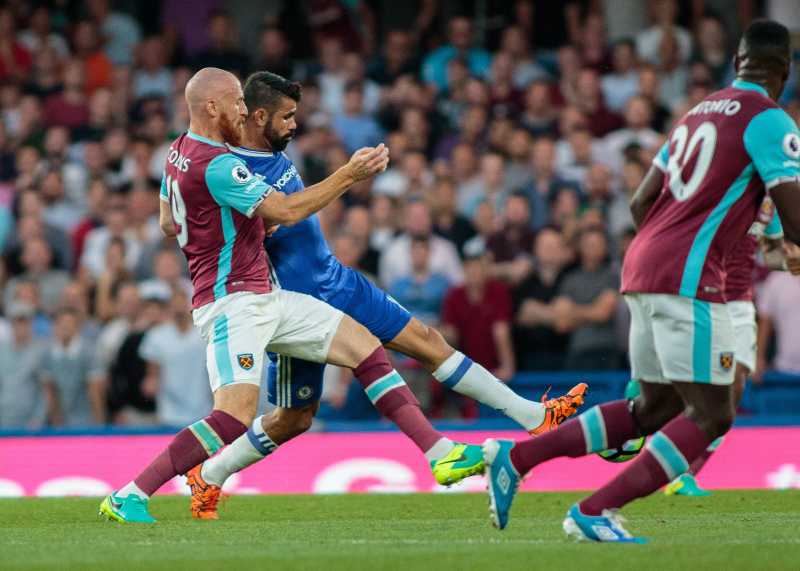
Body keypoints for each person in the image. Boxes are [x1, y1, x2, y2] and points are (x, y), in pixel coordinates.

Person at [187, 71, 587, 520]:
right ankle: (211, 474)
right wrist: (346, 176)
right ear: (259, 117)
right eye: (288, 117)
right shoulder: (227, 172)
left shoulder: (271, 147)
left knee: (426, 341)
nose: (295, 125)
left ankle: (533, 416)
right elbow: (235, 232)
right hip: (296, 307)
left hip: (338, 280)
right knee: (295, 418)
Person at [99, 67, 475, 525]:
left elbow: (166, 222)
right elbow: (288, 209)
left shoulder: (178, 151)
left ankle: (440, 453)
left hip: (266, 295)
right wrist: (349, 174)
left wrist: (220, 230)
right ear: (212, 108)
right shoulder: (218, 166)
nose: (244, 109)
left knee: (364, 346)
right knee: (233, 418)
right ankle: (129, 494)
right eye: (237, 101)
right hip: (231, 304)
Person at [481, 20, 800, 542]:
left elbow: (639, 202)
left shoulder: (695, 114)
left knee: (654, 408)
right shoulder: (770, 121)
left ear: (736, 63)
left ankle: (515, 458)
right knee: (713, 413)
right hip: (689, 276)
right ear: (784, 72)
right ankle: (593, 509)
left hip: (641, 265)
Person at [664, 200, 793, 496]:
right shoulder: (722, 185)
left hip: (739, 304)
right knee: (698, 392)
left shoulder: (770, 203)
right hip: (702, 301)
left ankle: (686, 475)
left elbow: (771, 254)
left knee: (733, 390)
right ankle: (669, 462)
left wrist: (789, 258)